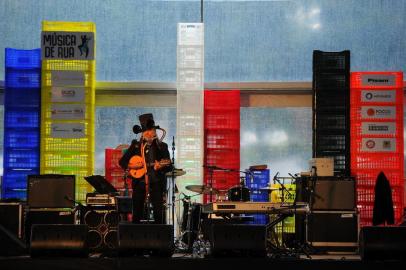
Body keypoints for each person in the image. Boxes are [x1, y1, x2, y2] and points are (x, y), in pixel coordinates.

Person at [119, 113, 172, 224]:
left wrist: (160, 167)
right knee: (137, 213)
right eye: (146, 131)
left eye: (151, 131)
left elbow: (169, 167)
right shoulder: (136, 145)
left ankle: (159, 238)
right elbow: (122, 162)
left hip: (156, 183)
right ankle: (135, 239)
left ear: (154, 131)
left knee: (159, 214)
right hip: (139, 183)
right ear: (142, 133)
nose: (148, 133)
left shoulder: (162, 146)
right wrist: (132, 166)